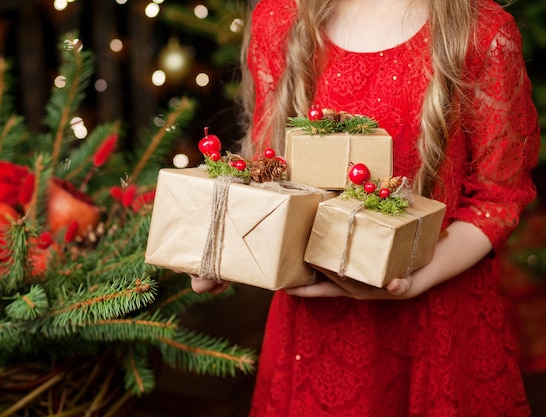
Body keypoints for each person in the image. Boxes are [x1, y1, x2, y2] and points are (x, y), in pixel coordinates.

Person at [191, 0, 540, 415]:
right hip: (314, 337)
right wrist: (226, 254)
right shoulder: (282, 18)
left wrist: (416, 278)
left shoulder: (481, 32)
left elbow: (496, 199)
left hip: (434, 329)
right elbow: (274, 177)